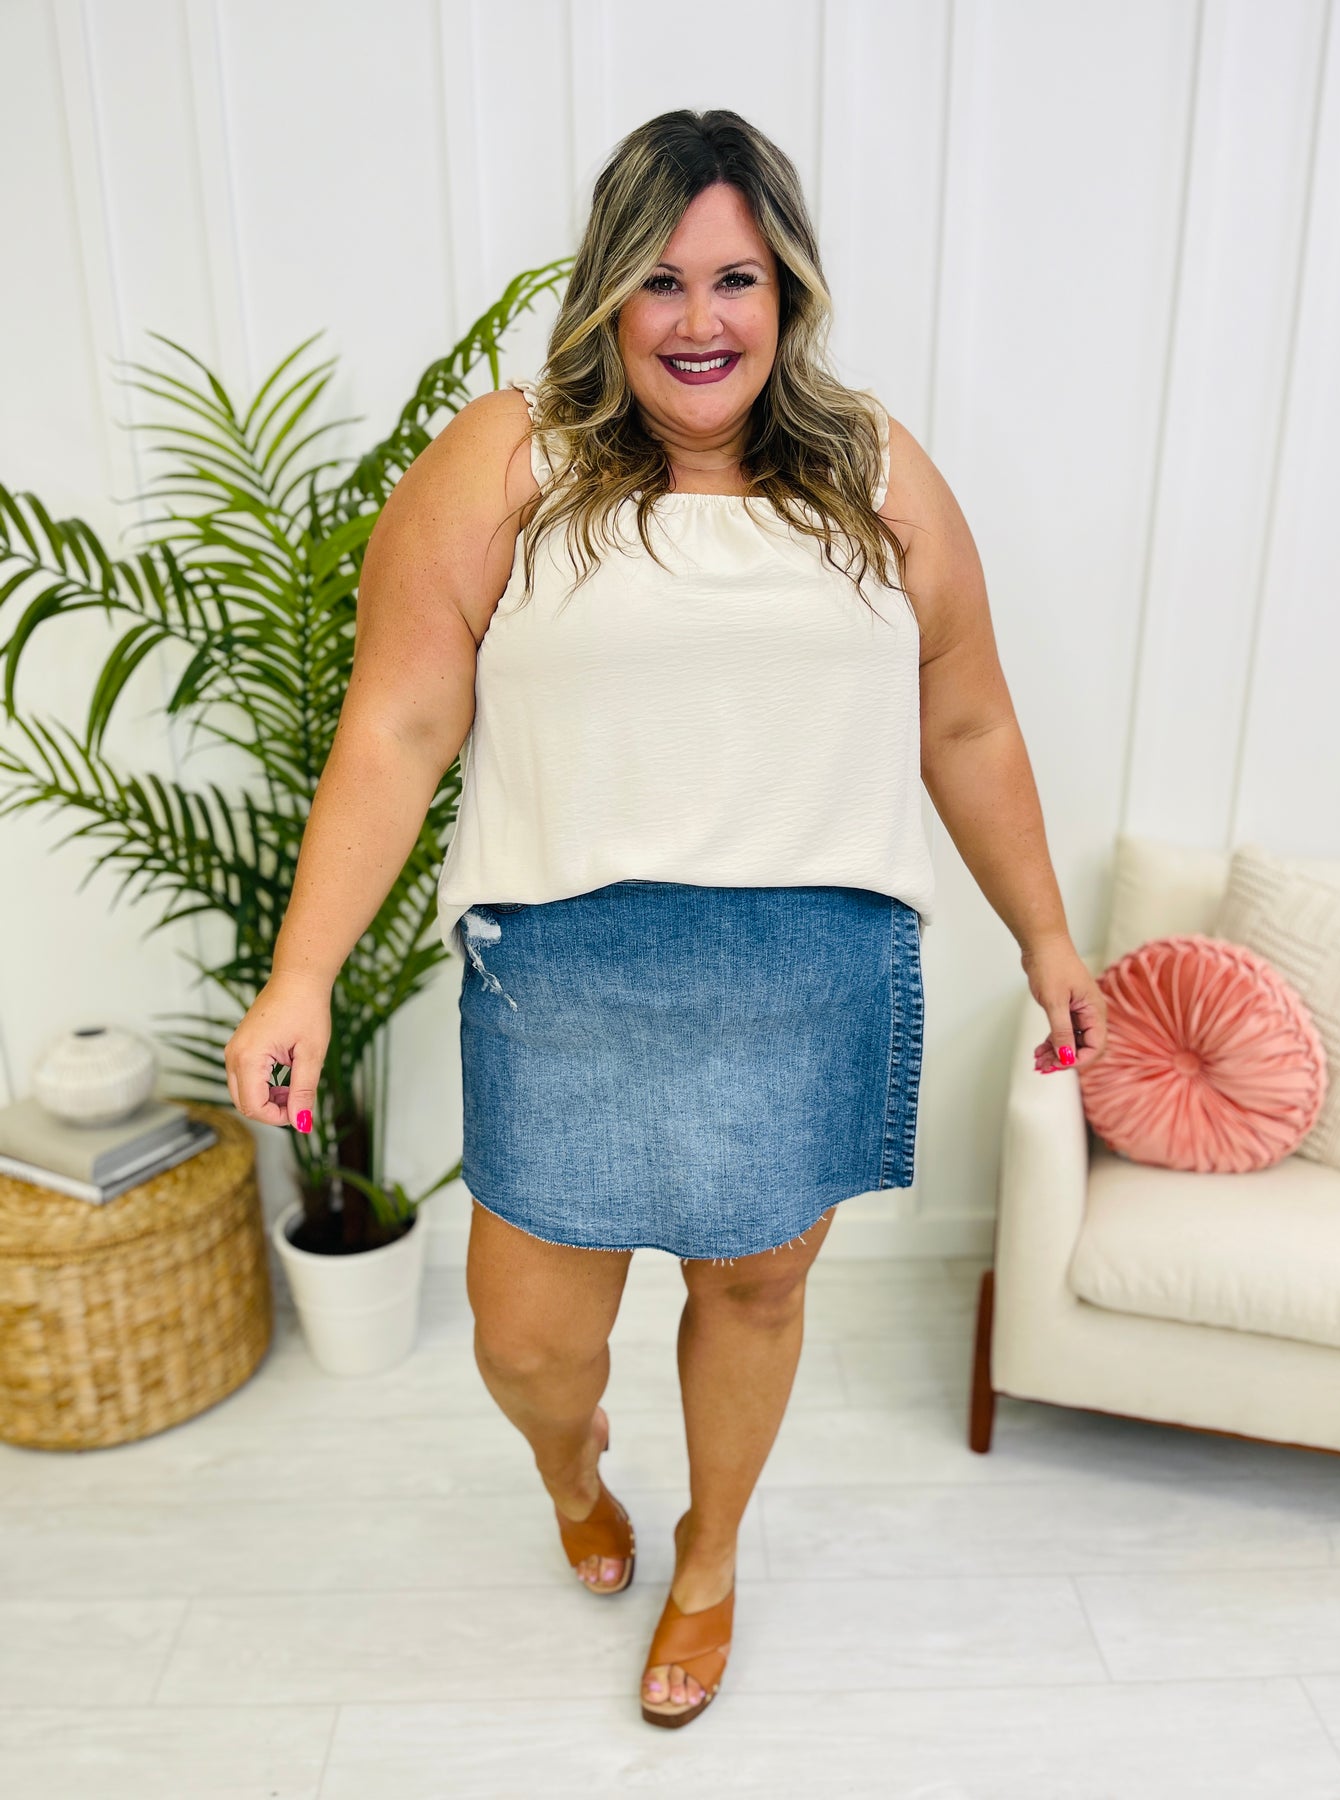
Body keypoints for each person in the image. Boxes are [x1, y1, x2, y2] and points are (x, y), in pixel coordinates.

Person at [224, 107, 1107, 1730]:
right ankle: (575, 1474)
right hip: (567, 981)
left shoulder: (875, 474)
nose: (700, 320)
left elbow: (967, 722)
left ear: (787, 293)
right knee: (527, 1347)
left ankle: (708, 1558)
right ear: (606, 292)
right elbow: (397, 730)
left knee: (752, 1293)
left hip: (806, 974)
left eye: (736, 279)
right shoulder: (510, 463)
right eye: (660, 280)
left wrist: (1046, 938)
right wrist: (301, 977)